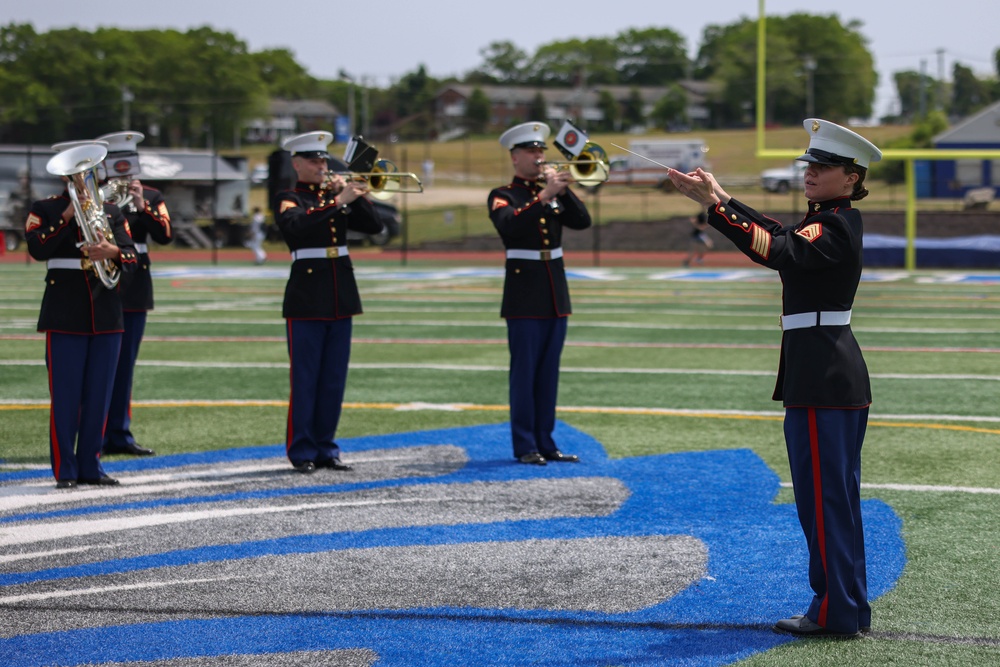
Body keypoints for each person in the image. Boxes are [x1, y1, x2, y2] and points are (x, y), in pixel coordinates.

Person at [667, 118, 882, 638]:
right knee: (833, 501)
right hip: (823, 373)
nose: (811, 173)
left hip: (823, 377)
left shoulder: (833, 226)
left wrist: (716, 208)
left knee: (825, 501)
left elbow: (778, 250)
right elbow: (784, 236)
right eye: (810, 164)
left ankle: (835, 613)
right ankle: (846, 606)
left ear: (851, 178)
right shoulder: (829, 222)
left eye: (824, 167)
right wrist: (722, 196)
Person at [27, 141, 138, 488]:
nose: (85, 177)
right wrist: (65, 218)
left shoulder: (112, 212)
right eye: (78, 172)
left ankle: (92, 466)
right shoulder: (44, 208)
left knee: (99, 395)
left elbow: (133, 258)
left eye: (90, 171)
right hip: (64, 313)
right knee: (65, 396)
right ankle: (66, 470)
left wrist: (113, 251)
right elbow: (36, 247)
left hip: (106, 313)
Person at [275, 131, 383, 474]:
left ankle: (327, 448)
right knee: (306, 378)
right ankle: (302, 450)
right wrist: (336, 203)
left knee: (334, 380)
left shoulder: (335, 195)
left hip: (341, 294)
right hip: (307, 297)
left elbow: (374, 226)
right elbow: (296, 228)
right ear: (296, 163)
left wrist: (354, 198)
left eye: (323, 160)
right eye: (313, 160)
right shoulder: (290, 197)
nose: (321, 166)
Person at [487, 121, 592, 465]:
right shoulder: (504, 194)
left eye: (541, 150)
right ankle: (525, 445)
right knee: (525, 374)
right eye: (531, 151)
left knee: (548, 373)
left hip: (554, 293)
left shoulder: (552, 192)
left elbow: (582, 222)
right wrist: (545, 196)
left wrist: (563, 191)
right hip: (523, 295)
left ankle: (546, 441)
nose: (538, 156)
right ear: (515, 157)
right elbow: (509, 227)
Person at [95, 131, 173, 457]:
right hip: (104, 282)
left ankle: (119, 433)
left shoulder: (152, 195)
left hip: (136, 282)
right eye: (119, 167)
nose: (125, 175)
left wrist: (142, 205)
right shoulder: (96, 196)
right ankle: (94, 434)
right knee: (100, 363)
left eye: (129, 167)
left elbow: (165, 235)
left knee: (125, 364)